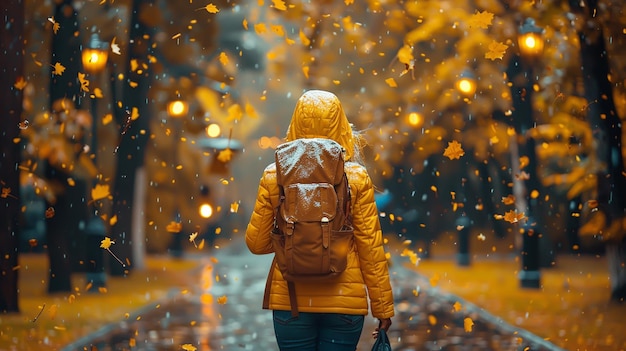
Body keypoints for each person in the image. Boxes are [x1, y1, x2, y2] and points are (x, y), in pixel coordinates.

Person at [245, 90, 394, 351]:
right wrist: (382, 308)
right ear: (340, 124)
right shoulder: (356, 177)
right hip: (344, 305)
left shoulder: (275, 174)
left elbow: (256, 244)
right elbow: (370, 248)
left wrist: (295, 240)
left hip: (291, 303)